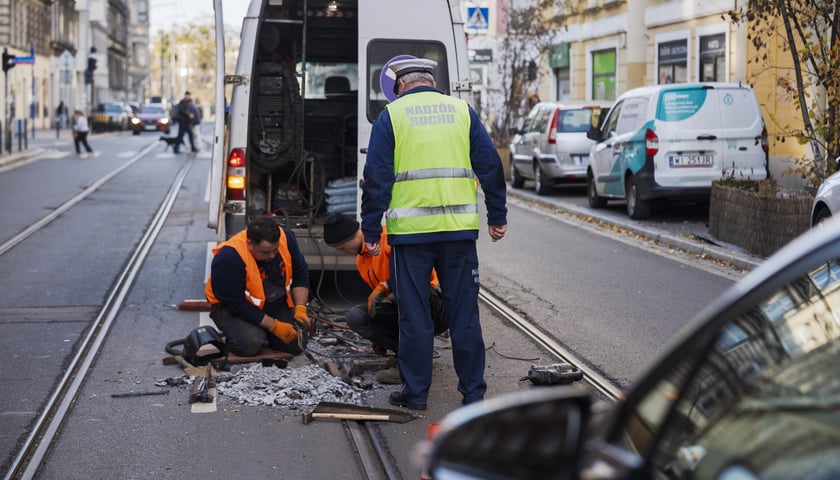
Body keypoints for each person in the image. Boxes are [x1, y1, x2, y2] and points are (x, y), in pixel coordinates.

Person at [360, 57, 508, 411]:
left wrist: (369, 229)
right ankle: (473, 394)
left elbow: (376, 177)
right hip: (458, 234)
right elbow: (490, 165)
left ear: (401, 86)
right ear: (431, 81)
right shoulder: (462, 111)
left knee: (415, 316)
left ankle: (415, 394)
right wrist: (497, 216)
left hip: (411, 237)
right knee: (465, 315)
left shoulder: (392, 116)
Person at [323, 213, 449, 384]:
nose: (341, 251)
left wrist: (388, 285)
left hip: (432, 304)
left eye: (342, 246)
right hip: (404, 308)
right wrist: (379, 333)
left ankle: (411, 366)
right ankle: (405, 356)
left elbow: (416, 268)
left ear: (353, 235)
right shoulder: (362, 261)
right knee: (356, 316)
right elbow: (383, 306)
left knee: (405, 298)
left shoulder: (388, 237)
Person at [205, 215, 312, 357]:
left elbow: (300, 274)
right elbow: (235, 304)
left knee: (296, 343)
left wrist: (300, 308)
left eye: (275, 250)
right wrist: (274, 326)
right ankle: (243, 334)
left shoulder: (286, 238)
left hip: (272, 303)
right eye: (265, 252)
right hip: (233, 308)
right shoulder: (228, 258)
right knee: (250, 344)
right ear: (250, 244)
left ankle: (262, 332)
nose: (273, 256)